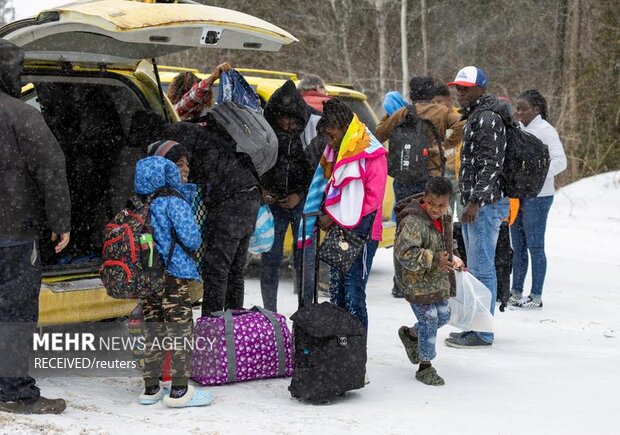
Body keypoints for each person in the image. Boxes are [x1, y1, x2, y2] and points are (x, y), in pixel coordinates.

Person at [0, 38, 71, 414]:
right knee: (14, 311)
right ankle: (13, 390)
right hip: (14, 232)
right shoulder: (22, 114)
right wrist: (61, 222)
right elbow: (52, 169)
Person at [300, 98, 387, 333]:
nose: (329, 142)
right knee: (337, 292)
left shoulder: (370, 151)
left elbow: (373, 199)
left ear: (343, 126)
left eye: (331, 135)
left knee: (354, 293)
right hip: (342, 231)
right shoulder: (342, 148)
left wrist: (334, 217)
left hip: (363, 233)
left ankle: (356, 353)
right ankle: (340, 348)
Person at [134, 152, 211, 408]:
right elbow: (192, 238)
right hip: (172, 275)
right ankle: (179, 391)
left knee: (152, 330)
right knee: (180, 331)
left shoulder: (137, 205)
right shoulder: (172, 202)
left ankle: (151, 388)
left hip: (148, 276)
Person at [376, 76, 464, 298]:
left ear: (412, 92)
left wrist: (390, 114)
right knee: (434, 228)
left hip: (404, 179)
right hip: (431, 178)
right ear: (431, 92)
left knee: (403, 228)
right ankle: (429, 278)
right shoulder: (442, 112)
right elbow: (463, 124)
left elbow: (379, 134)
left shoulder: (404, 111)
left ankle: (400, 282)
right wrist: (444, 146)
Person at [443, 66, 509, 349]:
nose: (460, 92)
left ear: (481, 89)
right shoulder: (475, 116)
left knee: (483, 270)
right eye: (458, 87)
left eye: (466, 88)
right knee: (476, 268)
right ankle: (476, 325)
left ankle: (482, 332)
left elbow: (491, 165)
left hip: (484, 205)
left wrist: (474, 202)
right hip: (475, 202)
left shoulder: (487, 119)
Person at [260, 80, 324, 312]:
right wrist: (263, 191)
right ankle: (270, 313)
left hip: (302, 205)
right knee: (270, 259)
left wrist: (300, 195)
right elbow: (256, 166)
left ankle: (305, 311)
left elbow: (320, 172)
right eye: (283, 118)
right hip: (273, 205)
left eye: (293, 119)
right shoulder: (265, 133)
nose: (288, 125)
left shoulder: (313, 132)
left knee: (305, 260)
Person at [394, 177, 463, 386]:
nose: (436, 209)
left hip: (437, 279)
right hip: (414, 279)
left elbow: (448, 241)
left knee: (443, 315)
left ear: (449, 202)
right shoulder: (412, 221)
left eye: (442, 205)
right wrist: (433, 258)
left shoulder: (446, 214)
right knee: (430, 318)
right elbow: (404, 253)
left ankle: (411, 334)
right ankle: (425, 366)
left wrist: (456, 256)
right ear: (425, 197)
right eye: (431, 203)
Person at [510, 90, 567, 309]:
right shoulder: (519, 129)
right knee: (518, 245)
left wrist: (538, 174)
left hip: (539, 197)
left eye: (523, 108)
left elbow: (561, 161)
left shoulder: (546, 131)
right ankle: (516, 292)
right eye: (518, 108)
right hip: (518, 195)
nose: (519, 112)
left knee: (535, 246)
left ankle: (536, 295)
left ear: (536, 109)